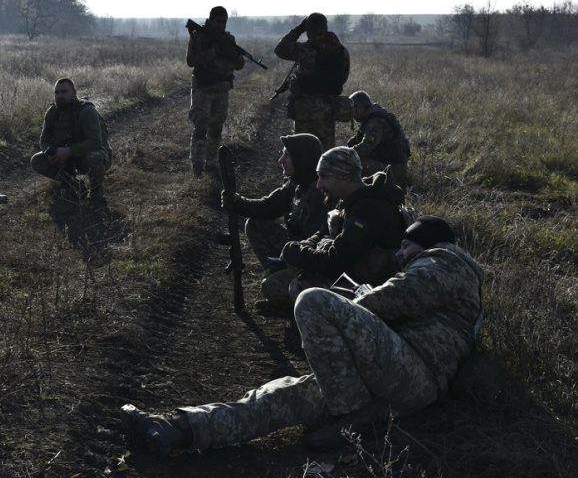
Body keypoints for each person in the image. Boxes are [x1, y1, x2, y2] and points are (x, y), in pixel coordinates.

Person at [121, 215, 483, 454]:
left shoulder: (447, 261)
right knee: (277, 397)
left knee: (313, 300)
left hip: (412, 374)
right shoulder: (440, 269)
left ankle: (348, 411)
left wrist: (358, 300)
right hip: (388, 378)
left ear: (430, 241)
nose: (401, 253)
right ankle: (174, 430)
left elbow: (396, 298)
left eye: (407, 245)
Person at [280, 146, 406, 306]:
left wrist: (295, 252)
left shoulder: (368, 209)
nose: (319, 185)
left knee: (300, 287)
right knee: (274, 285)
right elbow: (322, 232)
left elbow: (336, 261)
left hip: (374, 289)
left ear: (344, 176)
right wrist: (306, 245)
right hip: (350, 274)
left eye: (324, 177)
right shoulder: (349, 201)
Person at [221, 134, 329, 308]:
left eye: (287, 155)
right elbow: (268, 207)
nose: (281, 160)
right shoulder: (296, 184)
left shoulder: (319, 196)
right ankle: (280, 273)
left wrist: (293, 264)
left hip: (312, 262)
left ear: (301, 158)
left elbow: (318, 252)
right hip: (296, 250)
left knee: (270, 287)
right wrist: (238, 202)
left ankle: (294, 300)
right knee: (256, 223)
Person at [274, 13, 350, 151]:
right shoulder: (341, 51)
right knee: (325, 152)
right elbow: (343, 78)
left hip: (306, 108)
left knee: (303, 151)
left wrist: (298, 29)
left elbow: (280, 49)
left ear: (308, 30)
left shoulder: (306, 50)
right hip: (329, 107)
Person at [30, 78, 112, 203]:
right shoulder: (52, 112)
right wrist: (49, 152)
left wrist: (69, 151)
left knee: (94, 157)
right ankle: (73, 184)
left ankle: (96, 189)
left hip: (89, 156)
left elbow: (95, 142)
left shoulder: (87, 111)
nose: (60, 95)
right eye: (57, 93)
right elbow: (44, 139)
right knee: (37, 160)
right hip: (66, 158)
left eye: (64, 92)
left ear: (74, 92)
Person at [186, 6, 245, 178]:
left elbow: (240, 65)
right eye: (218, 21)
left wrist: (232, 54)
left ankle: (211, 163)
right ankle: (197, 165)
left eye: (224, 22)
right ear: (210, 20)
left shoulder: (229, 39)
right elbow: (191, 61)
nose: (221, 25)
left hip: (222, 89)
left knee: (216, 129)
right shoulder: (199, 36)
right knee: (200, 127)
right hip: (203, 88)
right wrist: (214, 52)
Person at [347, 90, 411, 187]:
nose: (351, 114)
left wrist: (346, 154)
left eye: (352, 110)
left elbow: (365, 148)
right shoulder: (372, 116)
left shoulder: (374, 123)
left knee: (355, 164)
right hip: (389, 162)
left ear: (359, 108)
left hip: (394, 169)